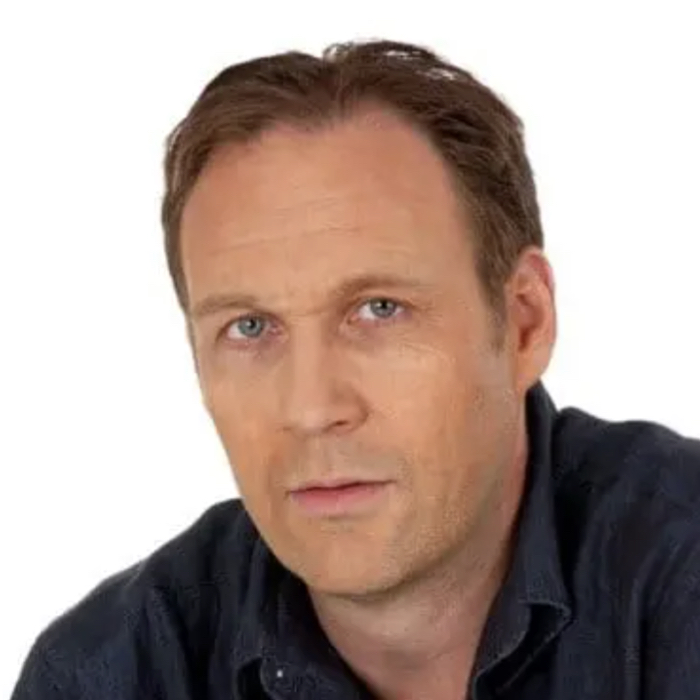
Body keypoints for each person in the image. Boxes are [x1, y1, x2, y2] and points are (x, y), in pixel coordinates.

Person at [11, 39, 700, 700]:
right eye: (249, 327)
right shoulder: (112, 673)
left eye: (379, 310)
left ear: (525, 322)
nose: (312, 408)